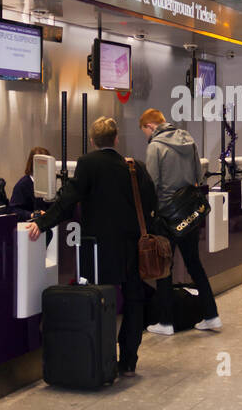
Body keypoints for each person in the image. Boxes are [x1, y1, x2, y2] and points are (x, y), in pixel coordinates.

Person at [24, 117, 155, 376]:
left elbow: (68, 200)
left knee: (99, 299)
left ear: (93, 141)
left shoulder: (87, 164)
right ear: (116, 139)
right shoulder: (134, 167)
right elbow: (151, 201)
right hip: (132, 245)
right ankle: (128, 359)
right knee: (134, 299)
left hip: (98, 249)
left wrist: (43, 222)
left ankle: (102, 358)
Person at [139, 108, 221, 335]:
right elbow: (198, 176)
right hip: (188, 213)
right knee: (194, 264)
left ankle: (165, 322)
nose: (145, 136)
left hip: (166, 216)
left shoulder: (155, 147)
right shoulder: (189, 140)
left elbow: (152, 184)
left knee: (164, 267)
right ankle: (211, 315)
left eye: (144, 132)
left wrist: (150, 213)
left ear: (150, 127)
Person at [8, 146, 51, 221]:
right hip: (29, 226)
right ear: (32, 164)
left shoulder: (52, 183)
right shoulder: (23, 185)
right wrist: (32, 215)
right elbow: (14, 210)